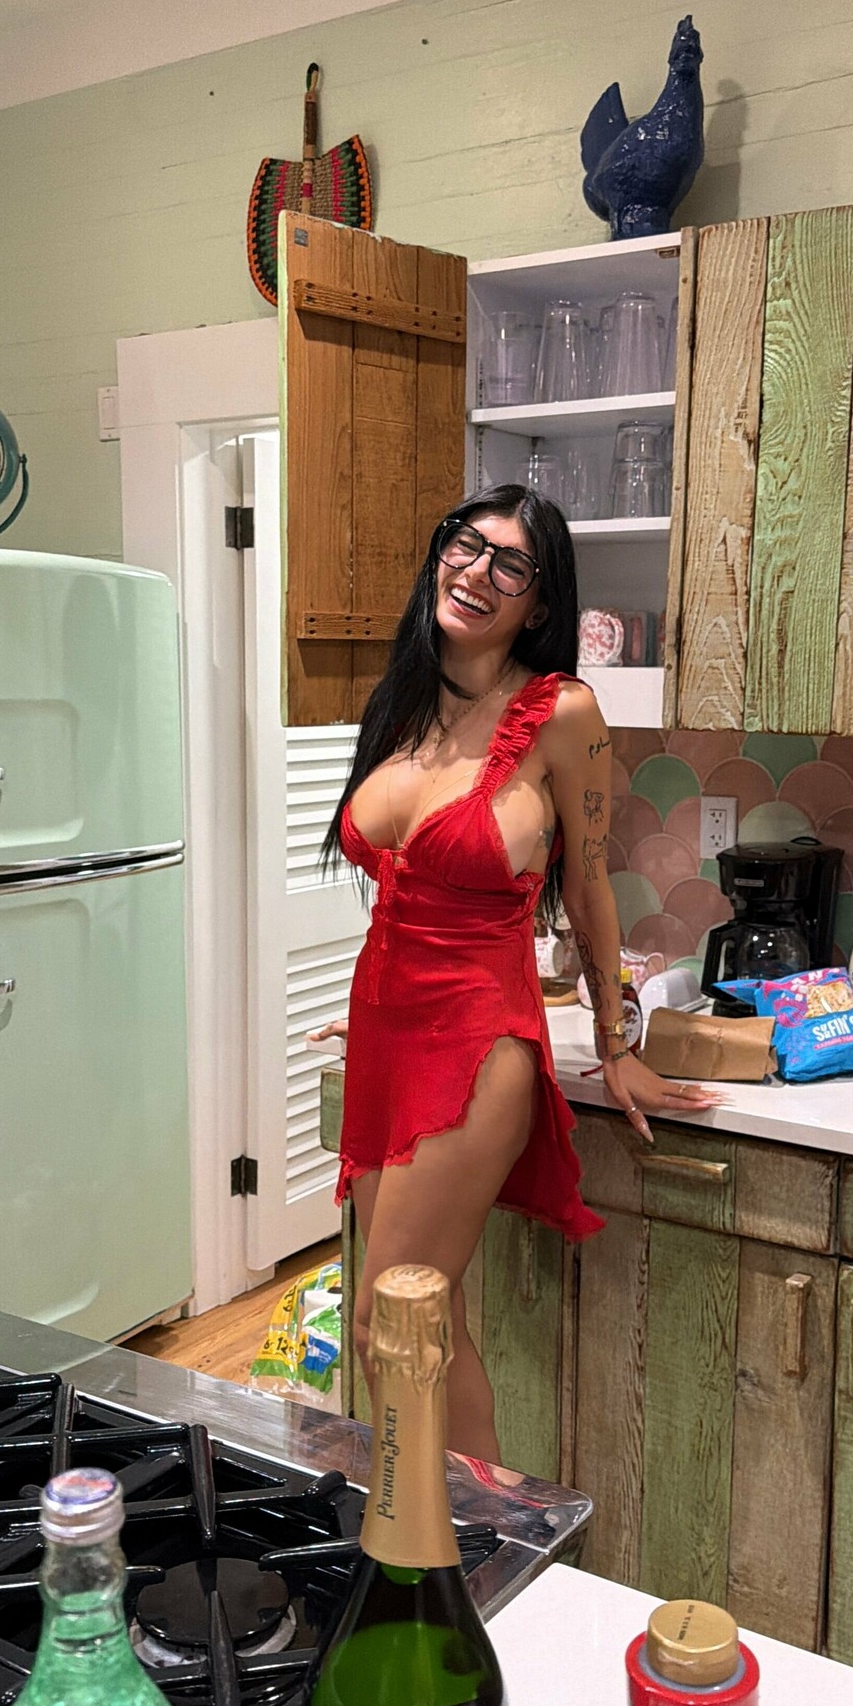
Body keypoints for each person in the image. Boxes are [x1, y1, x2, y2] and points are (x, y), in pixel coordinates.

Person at [310, 484, 720, 1461]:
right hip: (386, 1039)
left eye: (510, 565)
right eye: (465, 545)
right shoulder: (404, 703)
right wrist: (374, 1008)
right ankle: (461, 1533)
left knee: (391, 1322)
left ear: (538, 604)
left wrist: (616, 1039)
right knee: (425, 1328)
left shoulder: (562, 714)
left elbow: (589, 887)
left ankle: (436, 1539)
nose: (476, 573)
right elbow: (404, 894)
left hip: (477, 1044)